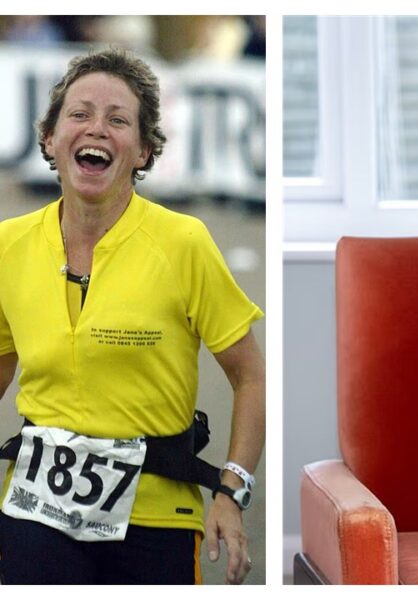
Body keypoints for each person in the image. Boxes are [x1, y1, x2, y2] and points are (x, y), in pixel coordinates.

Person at [0, 49, 264, 585]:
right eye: (79, 114)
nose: (96, 128)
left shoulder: (184, 242)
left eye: (118, 120)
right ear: (49, 139)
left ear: (144, 151)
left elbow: (250, 375)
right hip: (35, 506)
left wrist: (232, 490)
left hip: (156, 514)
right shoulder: (9, 246)